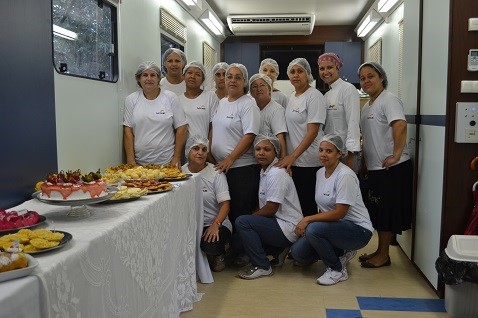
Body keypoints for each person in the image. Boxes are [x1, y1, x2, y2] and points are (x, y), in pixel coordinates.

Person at [290, 134, 374, 285]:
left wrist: (308, 219)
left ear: (339, 154)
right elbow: (324, 208)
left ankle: (336, 270)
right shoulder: (319, 173)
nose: (323, 154)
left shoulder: (345, 175)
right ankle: (341, 252)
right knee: (298, 253)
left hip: (358, 230)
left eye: (329, 151)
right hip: (336, 228)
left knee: (313, 229)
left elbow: (340, 213)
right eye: (321, 150)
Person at [358, 61, 412, 268]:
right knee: (379, 211)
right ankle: (380, 251)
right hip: (375, 168)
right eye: (362, 78)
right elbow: (368, 138)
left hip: (392, 168)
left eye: (370, 76)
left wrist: (396, 154)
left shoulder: (389, 100)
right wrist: (364, 162)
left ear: (381, 77)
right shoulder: (368, 106)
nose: (366, 81)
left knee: (387, 212)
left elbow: (399, 124)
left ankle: (384, 255)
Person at [210, 63, 260, 266]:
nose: (231, 80)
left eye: (237, 77)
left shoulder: (248, 104)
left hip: (241, 168)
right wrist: (212, 156)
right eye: (229, 76)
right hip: (221, 168)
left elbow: (249, 135)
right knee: (226, 211)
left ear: (244, 82)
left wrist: (230, 158)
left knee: (241, 212)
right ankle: (232, 248)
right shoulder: (222, 102)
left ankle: (246, 252)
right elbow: (214, 128)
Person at [234, 133, 303, 279]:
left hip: (287, 227)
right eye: (258, 149)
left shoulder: (276, 173)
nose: (261, 153)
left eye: (267, 149)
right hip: (278, 222)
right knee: (244, 230)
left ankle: (262, 266)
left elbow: (271, 208)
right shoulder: (265, 171)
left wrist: (251, 219)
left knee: (243, 222)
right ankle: (278, 250)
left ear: (276, 152)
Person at [276, 58, 327, 217]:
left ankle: (309, 240)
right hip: (295, 162)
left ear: (308, 74)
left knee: (307, 206)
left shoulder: (314, 96)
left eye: (300, 71)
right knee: (296, 206)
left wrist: (293, 156)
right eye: (292, 72)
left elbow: (313, 132)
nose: (295, 75)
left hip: (309, 162)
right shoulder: (292, 96)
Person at [182, 135, 232, 272]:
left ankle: (219, 252)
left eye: (204, 150)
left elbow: (225, 205)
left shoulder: (216, 173)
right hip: (192, 224)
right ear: (188, 151)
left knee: (211, 244)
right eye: (196, 149)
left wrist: (215, 224)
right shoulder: (180, 173)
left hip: (215, 223)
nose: (200, 152)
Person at [123, 61, 188, 167]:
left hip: (167, 162)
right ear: (139, 79)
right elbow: (128, 131)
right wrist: (130, 160)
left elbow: (182, 127)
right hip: (140, 164)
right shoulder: (131, 99)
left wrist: (176, 157)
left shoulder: (170, 97)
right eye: (145, 75)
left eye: (153, 75)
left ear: (158, 78)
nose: (149, 78)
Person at [318, 53, 361, 171]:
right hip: (330, 153)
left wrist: (351, 155)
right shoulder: (326, 95)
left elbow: (353, 122)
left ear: (338, 68)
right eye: (322, 68)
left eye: (330, 67)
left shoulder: (348, 89)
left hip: (345, 153)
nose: (325, 72)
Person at [249, 73, 287, 158]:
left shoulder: (276, 110)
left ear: (269, 89)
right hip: (251, 157)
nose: (259, 89)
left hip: (269, 159)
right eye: (255, 86)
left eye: (262, 85)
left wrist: (282, 160)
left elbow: (280, 137)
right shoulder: (249, 107)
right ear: (251, 92)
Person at [178, 61, 219, 139]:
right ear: (183, 76)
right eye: (189, 73)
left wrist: (208, 149)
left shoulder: (210, 97)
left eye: (198, 74)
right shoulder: (178, 100)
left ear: (203, 80)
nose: (193, 76)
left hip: (204, 148)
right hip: (184, 148)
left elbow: (214, 127)